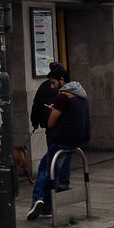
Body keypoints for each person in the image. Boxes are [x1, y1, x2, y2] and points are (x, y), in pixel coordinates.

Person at [27, 63, 91, 221]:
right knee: (54, 171)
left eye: (54, 83)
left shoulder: (63, 96)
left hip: (60, 139)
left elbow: (50, 122)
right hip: (76, 141)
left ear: (62, 80)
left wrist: (51, 110)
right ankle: (48, 208)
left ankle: (39, 199)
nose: (52, 86)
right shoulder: (80, 93)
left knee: (45, 169)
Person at [30, 61, 71, 191]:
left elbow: (36, 105)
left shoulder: (43, 87)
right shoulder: (66, 89)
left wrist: (35, 121)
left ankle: (53, 183)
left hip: (50, 126)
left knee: (53, 156)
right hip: (62, 127)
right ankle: (62, 182)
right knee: (64, 156)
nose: (52, 86)